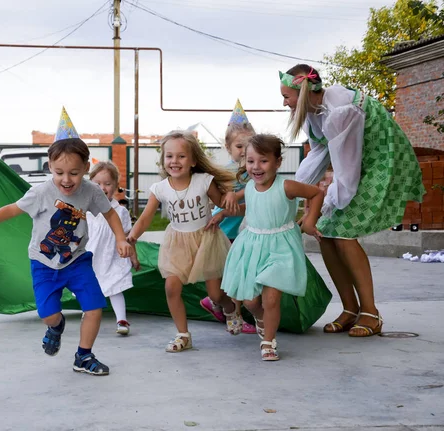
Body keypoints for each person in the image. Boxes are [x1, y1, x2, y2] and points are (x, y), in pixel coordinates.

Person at [0, 137, 133, 376]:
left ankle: (84, 355)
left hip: (77, 260)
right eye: (59, 172)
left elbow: (110, 214)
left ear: (86, 168)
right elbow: (11, 209)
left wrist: (120, 238)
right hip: (44, 263)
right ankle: (56, 328)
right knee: (48, 315)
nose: (66, 180)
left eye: (74, 173)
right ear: (50, 167)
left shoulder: (91, 192)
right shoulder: (41, 193)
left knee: (94, 308)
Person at [280, 64, 425, 336]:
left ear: (302, 93)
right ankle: (350, 308)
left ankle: (370, 312)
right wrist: (293, 194)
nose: (284, 102)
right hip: (359, 164)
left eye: (287, 96)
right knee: (327, 232)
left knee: (343, 232)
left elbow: (346, 171)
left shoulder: (339, 111)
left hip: (383, 162)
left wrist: (325, 204)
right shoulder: (317, 113)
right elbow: (319, 154)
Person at [127, 130, 240, 353]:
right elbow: (145, 218)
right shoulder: (159, 189)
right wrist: (130, 238)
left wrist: (228, 195)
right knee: (171, 287)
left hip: (206, 240)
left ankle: (230, 309)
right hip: (177, 242)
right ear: (163, 160)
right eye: (169, 156)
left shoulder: (203, 181)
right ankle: (183, 334)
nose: (174, 161)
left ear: (193, 161)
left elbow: (222, 203)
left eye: (181, 156)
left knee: (216, 294)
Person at [220, 134, 324, 361]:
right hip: (253, 246)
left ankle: (268, 342)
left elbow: (317, 193)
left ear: (278, 162)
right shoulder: (248, 187)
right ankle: (260, 319)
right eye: (250, 161)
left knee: (271, 299)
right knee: (251, 302)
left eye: (263, 161)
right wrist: (229, 195)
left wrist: (309, 221)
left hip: (280, 247)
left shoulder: (286, 186)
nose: (256, 167)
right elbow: (248, 201)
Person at [199, 100, 256, 334]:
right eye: (239, 146)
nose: (244, 151)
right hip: (222, 232)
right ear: (228, 147)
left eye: (249, 145)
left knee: (236, 278)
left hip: (237, 233)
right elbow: (218, 199)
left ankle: (236, 315)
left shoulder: (253, 171)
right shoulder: (227, 172)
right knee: (229, 279)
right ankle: (216, 302)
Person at [86, 160, 140, 335]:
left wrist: (133, 256)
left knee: (115, 287)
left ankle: (122, 320)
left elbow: (127, 237)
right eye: (98, 184)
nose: (103, 187)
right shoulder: (85, 210)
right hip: (91, 256)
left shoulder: (120, 211)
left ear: (116, 186)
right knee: (89, 288)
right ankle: (88, 316)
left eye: (107, 183)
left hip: (112, 256)